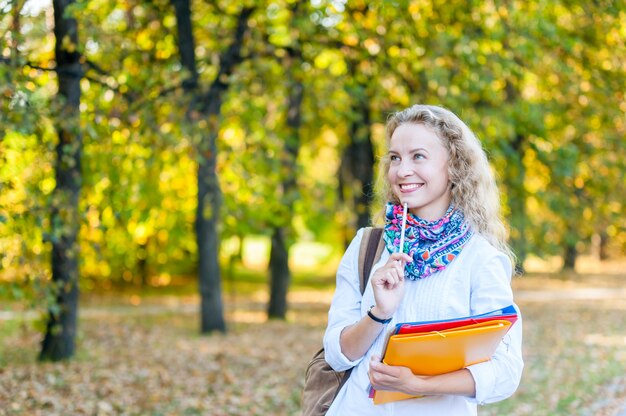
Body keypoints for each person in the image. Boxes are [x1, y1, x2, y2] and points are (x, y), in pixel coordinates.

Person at [322, 104, 523, 415]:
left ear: (454, 166)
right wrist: (379, 313)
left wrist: (419, 385)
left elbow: (506, 372)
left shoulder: (480, 259)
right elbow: (336, 356)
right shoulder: (367, 246)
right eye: (395, 158)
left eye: (418, 156)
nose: (402, 171)